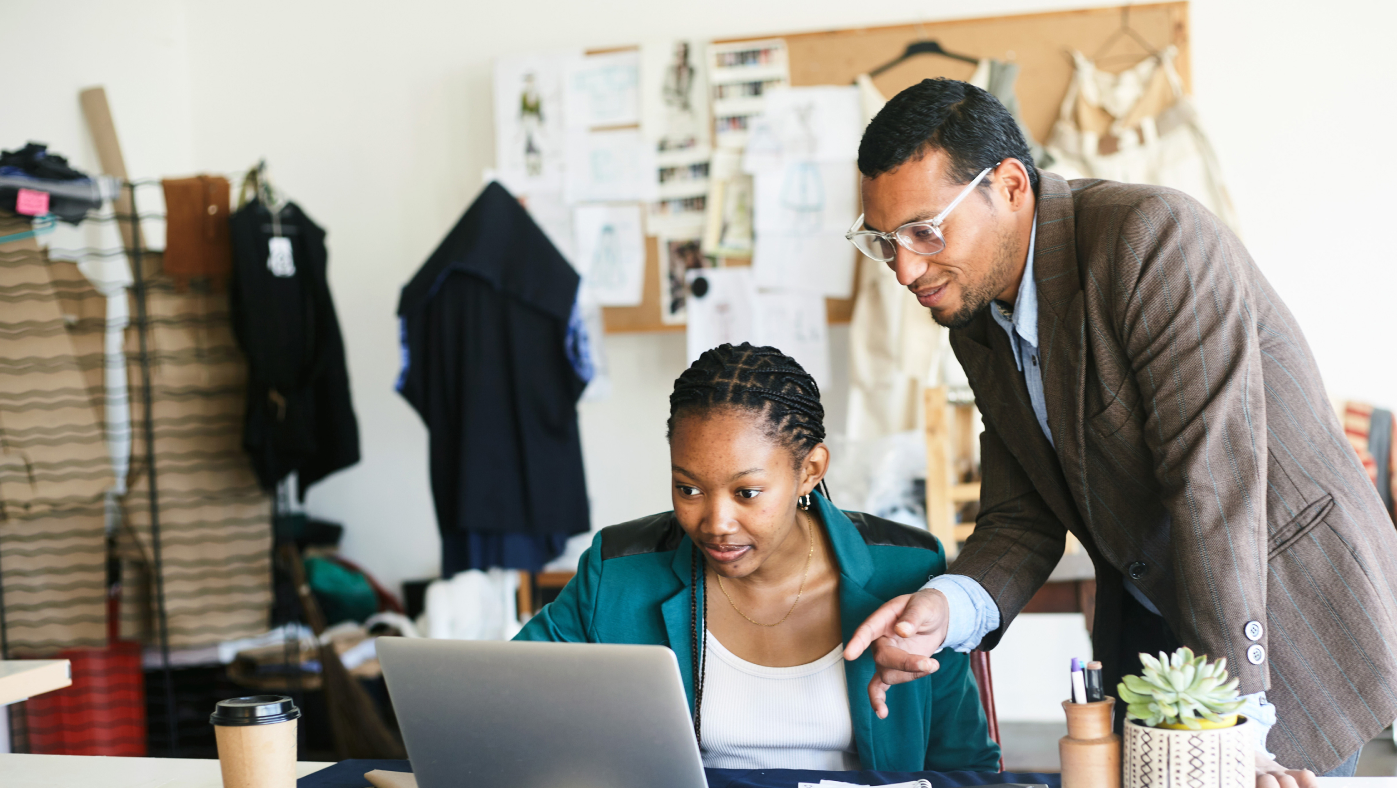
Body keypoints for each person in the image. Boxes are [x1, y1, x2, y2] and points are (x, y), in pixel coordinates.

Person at [840, 78, 1397, 787]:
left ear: (1010, 186)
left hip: (1283, 624)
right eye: (883, 242)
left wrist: (1235, 722)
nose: (906, 269)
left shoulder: (1153, 239)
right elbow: (1020, 514)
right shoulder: (974, 320)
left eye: (924, 231)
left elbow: (1213, 488)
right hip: (1159, 647)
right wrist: (943, 610)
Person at [517, 343, 999, 772]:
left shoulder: (908, 571)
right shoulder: (619, 573)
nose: (715, 522)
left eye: (747, 492)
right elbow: (505, 701)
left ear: (810, 471)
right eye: (688, 488)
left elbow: (967, 767)